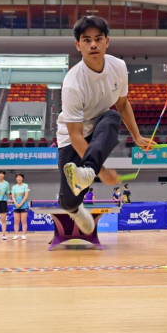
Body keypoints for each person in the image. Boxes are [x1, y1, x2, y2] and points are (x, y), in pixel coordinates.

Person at [56, 15, 153, 235]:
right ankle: (76, 205)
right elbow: (75, 135)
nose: (93, 44)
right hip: (72, 138)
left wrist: (137, 137)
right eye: (86, 39)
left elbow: (122, 104)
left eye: (98, 39)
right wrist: (101, 171)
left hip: (100, 125)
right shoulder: (73, 83)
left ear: (107, 42)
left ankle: (86, 172)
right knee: (69, 202)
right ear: (77, 44)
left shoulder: (118, 66)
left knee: (113, 117)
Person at [11, 173, 30, 240]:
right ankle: (16, 234)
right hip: (16, 206)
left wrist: (21, 203)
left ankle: (23, 235)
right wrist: (16, 203)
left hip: (24, 206)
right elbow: (13, 196)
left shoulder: (25, 185)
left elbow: (26, 195)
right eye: (17, 177)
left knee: (23, 221)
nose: (19, 178)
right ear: (16, 179)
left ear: (22, 178)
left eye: (20, 177)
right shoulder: (14, 187)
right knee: (16, 221)